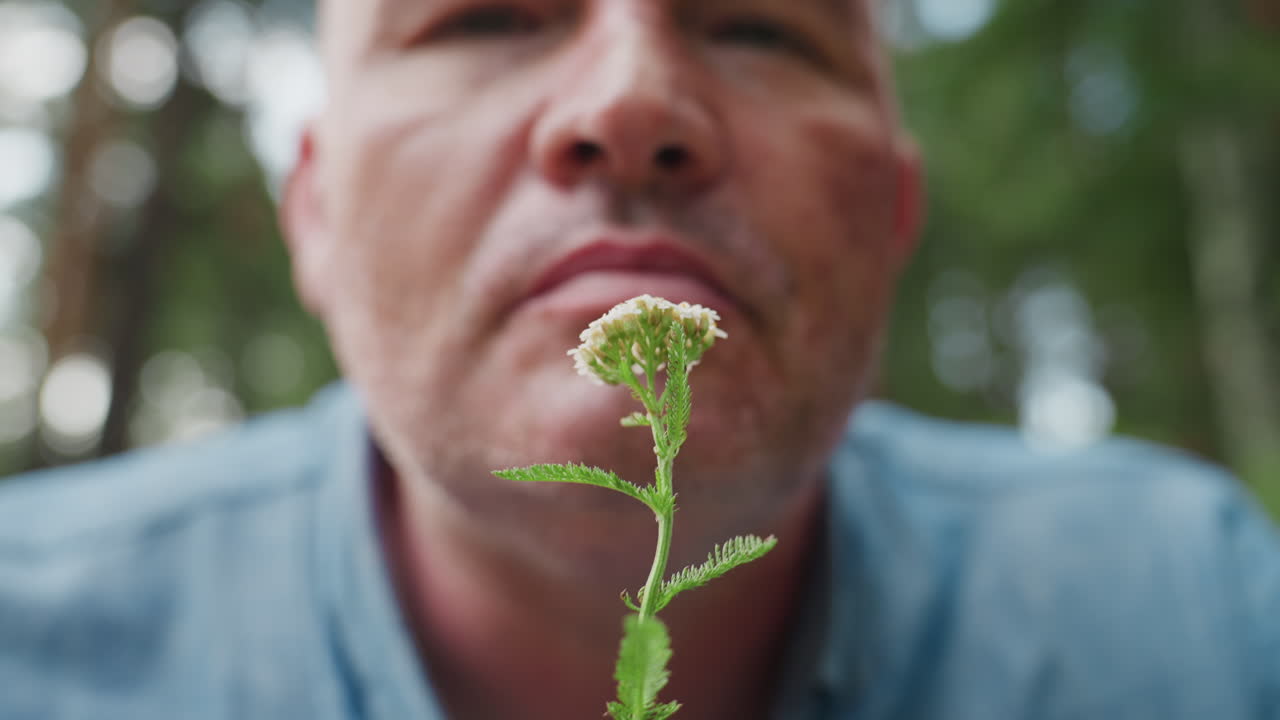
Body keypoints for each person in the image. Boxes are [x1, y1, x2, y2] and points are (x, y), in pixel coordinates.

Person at [2, 0, 1277, 718]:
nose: (625, 104)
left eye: (761, 29)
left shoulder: (1199, 623)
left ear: (894, 215)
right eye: (484, 18)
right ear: (316, 218)